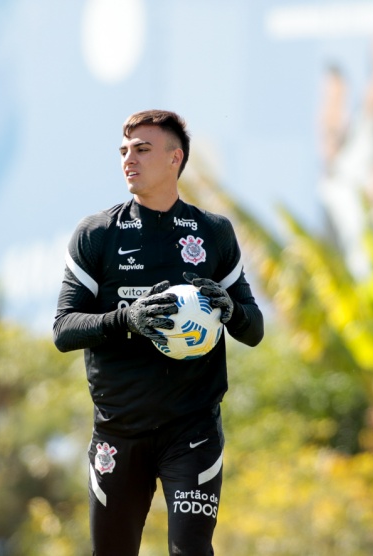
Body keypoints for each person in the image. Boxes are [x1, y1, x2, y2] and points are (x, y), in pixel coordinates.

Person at [52, 109, 264, 555]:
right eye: (124, 150)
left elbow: (254, 329)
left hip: (192, 430)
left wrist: (230, 311)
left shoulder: (213, 232)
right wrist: (127, 320)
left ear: (175, 159)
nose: (129, 159)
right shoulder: (97, 234)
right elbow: (64, 329)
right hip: (118, 431)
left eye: (142, 150)